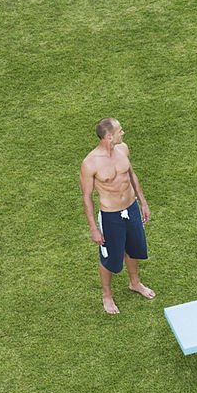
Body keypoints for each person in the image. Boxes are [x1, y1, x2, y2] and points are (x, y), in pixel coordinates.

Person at [79, 118, 154, 314]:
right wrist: (94, 229)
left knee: (134, 248)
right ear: (109, 136)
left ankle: (135, 282)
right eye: (120, 130)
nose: (124, 133)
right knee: (110, 258)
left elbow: (131, 176)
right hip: (110, 215)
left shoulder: (123, 150)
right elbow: (86, 197)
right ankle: (107, 295)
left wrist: (142, 202)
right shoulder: (90, 163)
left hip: (131, 208)